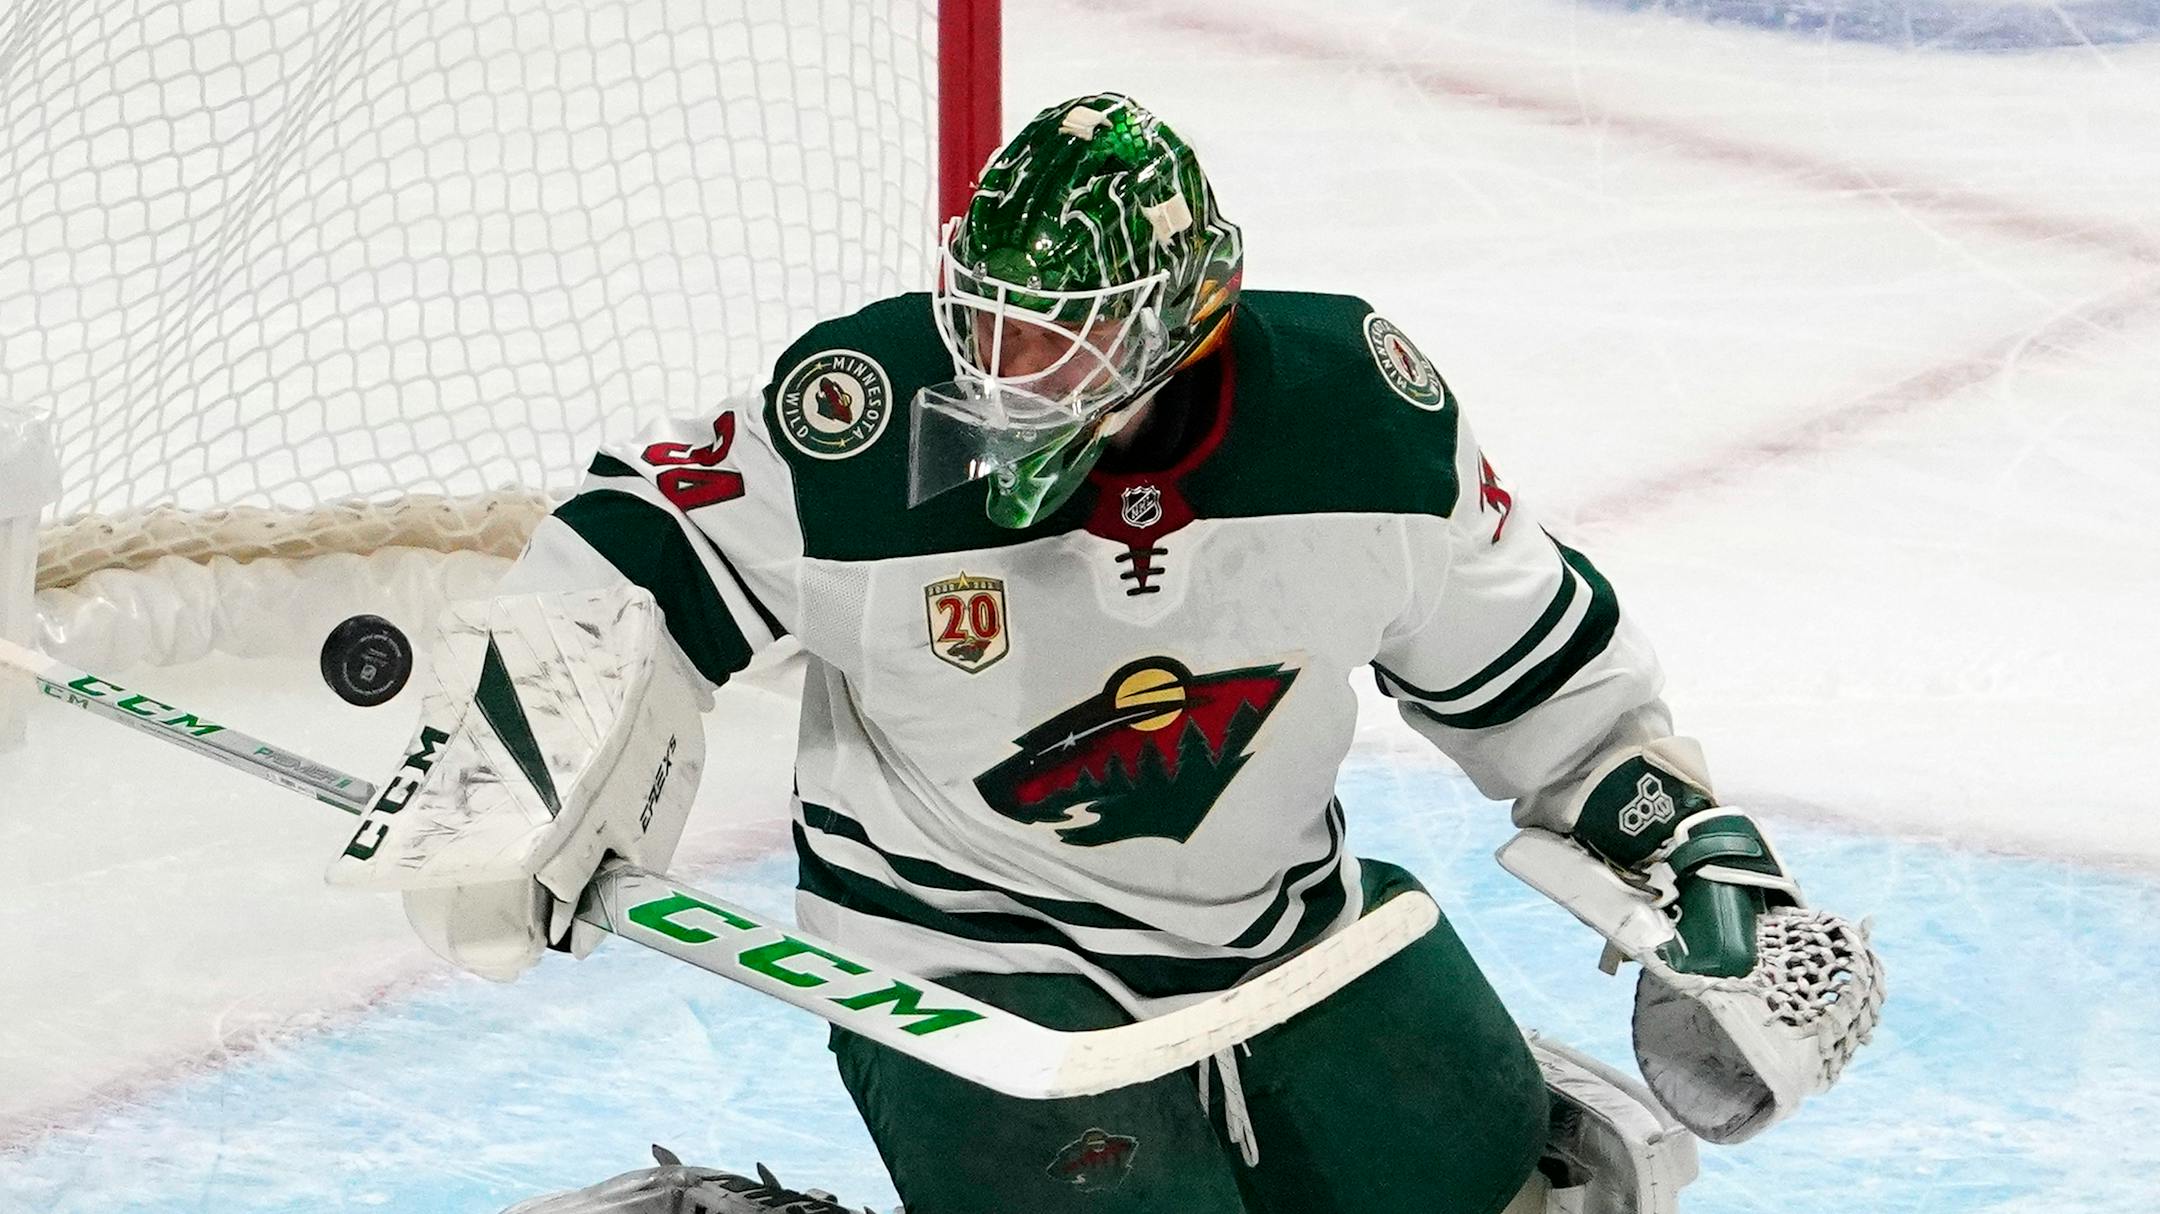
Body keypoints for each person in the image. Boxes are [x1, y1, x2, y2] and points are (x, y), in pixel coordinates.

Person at [332, 94, 1881, 1214]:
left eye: (1063, 340)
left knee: (1536, 1185)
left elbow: (1551, 683)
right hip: (956, 967)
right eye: (993, 322)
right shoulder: (876, 422)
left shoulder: (1363, 419)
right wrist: (517, 754)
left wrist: (1702, 865)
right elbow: (638, 549)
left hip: (1283, 939)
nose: (1008, 372)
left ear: (1189, 321)